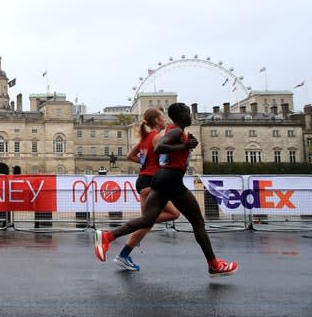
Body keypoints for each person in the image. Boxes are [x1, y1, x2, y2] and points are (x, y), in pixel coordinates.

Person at [94, 103, 238, 278]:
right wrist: (184, 147)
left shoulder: (175, 132)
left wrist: (187, 144)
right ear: (180, 116)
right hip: (171, 180)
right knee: (198, 223)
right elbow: (160, 147)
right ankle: (214, 265)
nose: (190, 116)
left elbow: (159, 151)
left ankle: (107, 237)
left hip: (162, 179)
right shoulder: (174, 131)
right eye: (187, 113)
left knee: (148, 220)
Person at [113, 107, 180, 271]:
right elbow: (166, 159)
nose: (165, 120)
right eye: (162, 118)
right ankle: (119, 245)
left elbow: (130, 155)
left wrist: (144, 163)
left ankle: (123, 255)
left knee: (146, 223)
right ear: (157, 120)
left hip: (143, 181)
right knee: (172, 214)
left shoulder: (144, 138)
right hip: (152, 181)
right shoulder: (158, 137)